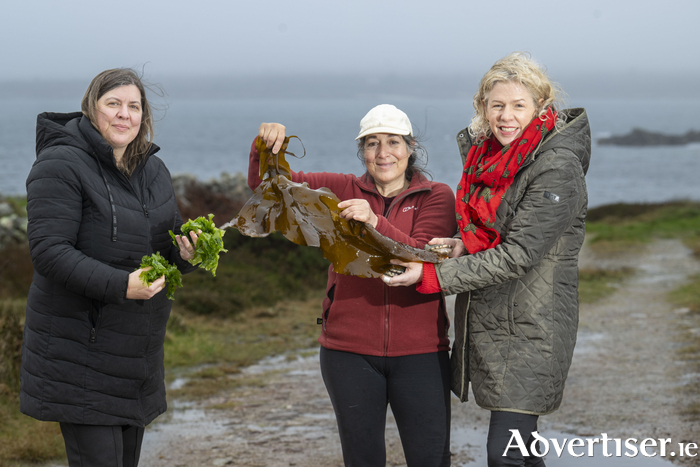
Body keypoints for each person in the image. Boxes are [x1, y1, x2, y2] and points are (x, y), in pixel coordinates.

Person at [384, 53, 591, 467]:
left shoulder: (557, 167)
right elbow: (493, 229)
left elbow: (518, 254)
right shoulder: (487, 157)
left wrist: (433, 275)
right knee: (522, 454)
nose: (506, 116)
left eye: (519, 105)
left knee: (504, 455)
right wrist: (462, 242)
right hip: (496, 322)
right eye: (497, 105)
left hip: (534, 327)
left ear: (540, 108)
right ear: (483, 107)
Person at [251, 104, 458, 466]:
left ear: (410, 148)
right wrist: (266, 146)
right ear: (361, 150)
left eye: (393, 142)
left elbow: (422, 255)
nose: (383, 153)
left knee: (431, 460)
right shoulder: (339, 188)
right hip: (348, 353)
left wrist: (374, 220)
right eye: (372, 143)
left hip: (422, 353)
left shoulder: (437, 195)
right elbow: (270, 189)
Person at [20, 68, 199, 467]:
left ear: (144, 115)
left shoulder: (154, 170)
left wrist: (186, 255)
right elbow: (49, 251)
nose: (124, 115)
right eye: (113, 104)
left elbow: (165, 244)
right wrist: (122, 285)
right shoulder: (60, 164)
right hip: (80, 352)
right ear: (91, 108)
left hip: (137, 357)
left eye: (133, 106)